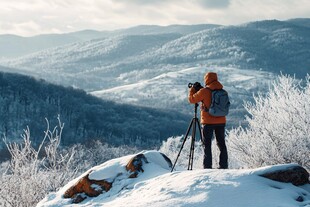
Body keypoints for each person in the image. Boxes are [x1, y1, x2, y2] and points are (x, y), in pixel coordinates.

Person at [188, 72, 228, 169]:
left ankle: (207, 167)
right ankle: (223, 166)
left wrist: (192, 90)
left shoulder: (204, 91)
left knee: (207, 145)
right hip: (221, 121)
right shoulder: (223, 91)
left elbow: (192, 100)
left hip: (208, 122)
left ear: (207, 80)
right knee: (222, 144)